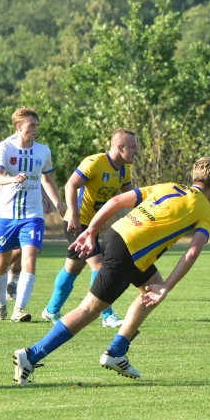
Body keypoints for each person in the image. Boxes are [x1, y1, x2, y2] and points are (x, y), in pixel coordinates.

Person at [13, 157, 210, 385]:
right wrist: (167, 287)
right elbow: (192, 252)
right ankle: (31, 355)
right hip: (129, 252)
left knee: (150, 290)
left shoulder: (169, 186)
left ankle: (118, 350)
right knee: (89, 310)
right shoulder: (207, 211)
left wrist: (91, 231)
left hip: (116, 235)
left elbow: (116, 200)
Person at [41, 129, 140, 328]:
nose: (136, 151)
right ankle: (107, 315)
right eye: (133, 147)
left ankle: (51, 310)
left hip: (93, 226)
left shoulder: (124, 170)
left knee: (73, 267)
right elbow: (71, 185)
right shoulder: (94, 162)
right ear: (119, 147)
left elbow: (131, 197)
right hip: (76, 223)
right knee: (100, 265)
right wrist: (74, 216)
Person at [0, 107, 66, 322]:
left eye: (37, 125)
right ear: (19, 126)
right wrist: (11, 179)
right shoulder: (5, 147)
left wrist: (57, 202)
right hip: (6, 213)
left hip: (33, 214)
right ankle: (1, 306)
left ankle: (18, 310)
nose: (35, 129)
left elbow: (46, 179)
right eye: (32, 125)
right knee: (1, 262)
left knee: (30, 258)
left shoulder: (43, 151)